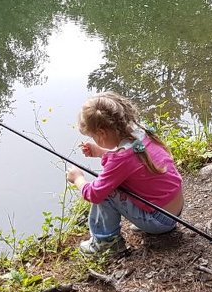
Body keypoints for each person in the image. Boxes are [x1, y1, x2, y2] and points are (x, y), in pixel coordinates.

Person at [66, 92, 184, 255]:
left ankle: (106, 242)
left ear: (101, 133)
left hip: (159, 221)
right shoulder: (141, 134)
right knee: (109, 184)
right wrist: (102, 152)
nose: (94, 139)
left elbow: (94, 194)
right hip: (174, 212)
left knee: (106, 191)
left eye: (93, 136)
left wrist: (78, 178)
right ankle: (145, 220)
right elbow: (130, 163)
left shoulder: (120, 159)